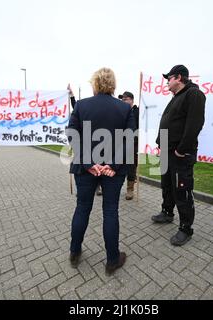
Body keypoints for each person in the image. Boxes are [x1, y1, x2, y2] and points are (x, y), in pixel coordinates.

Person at [66, 67, 136, 275]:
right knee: (110, 210)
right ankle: (112, 260)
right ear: (113, 85)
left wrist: (89, 163)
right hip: (112, 171)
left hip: (85, 168)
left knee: (82, 208)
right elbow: (129, 139)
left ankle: (74, 252)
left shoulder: (81, 105)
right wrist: (111, 165)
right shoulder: (125, 109)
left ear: (94, 83)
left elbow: (72, 134)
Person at [151, 64, 206, 246]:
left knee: (181, 189)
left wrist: (181, 149)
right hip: (167, 152)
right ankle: (167, 212)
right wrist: (161, 144)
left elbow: (194, 124)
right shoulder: (176, 97)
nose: (167, 81)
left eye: (169, 78)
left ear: (179, 78)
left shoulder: (193, 95)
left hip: (180, 154)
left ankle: (186, 228)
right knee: (167, 185)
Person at [119, 91, 139, 200]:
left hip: (133, 144)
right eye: (122, 99)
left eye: (126, 99)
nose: (124, 101)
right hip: (120, 144)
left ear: (132, 100)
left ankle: (130, 189)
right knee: (119, 166)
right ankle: (116, 186)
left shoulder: (138, 112)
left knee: (131, 167)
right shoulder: (120, 112)